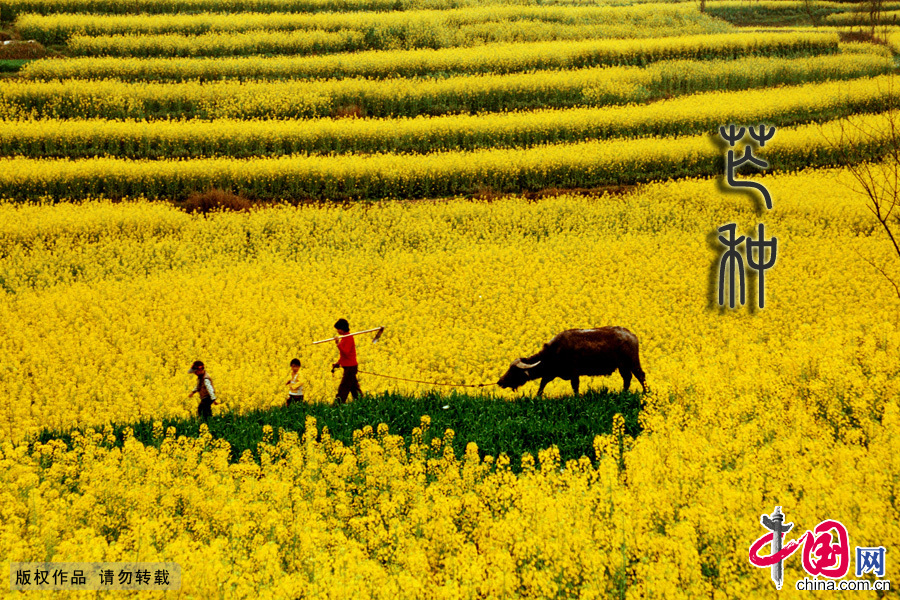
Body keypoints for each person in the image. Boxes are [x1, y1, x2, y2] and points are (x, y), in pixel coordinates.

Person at [332, 318, 361, 404]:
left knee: (344, 387)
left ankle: (338, 404)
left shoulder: (348, 338)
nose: (337, 331)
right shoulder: (344, 338)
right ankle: (361, 402)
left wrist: (338, 344)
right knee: (354, 388)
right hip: (349, 366)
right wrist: (338, 363)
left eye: (338, 329)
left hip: (350, 367)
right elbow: (343, 355)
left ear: (343, 328)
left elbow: (346, 352)